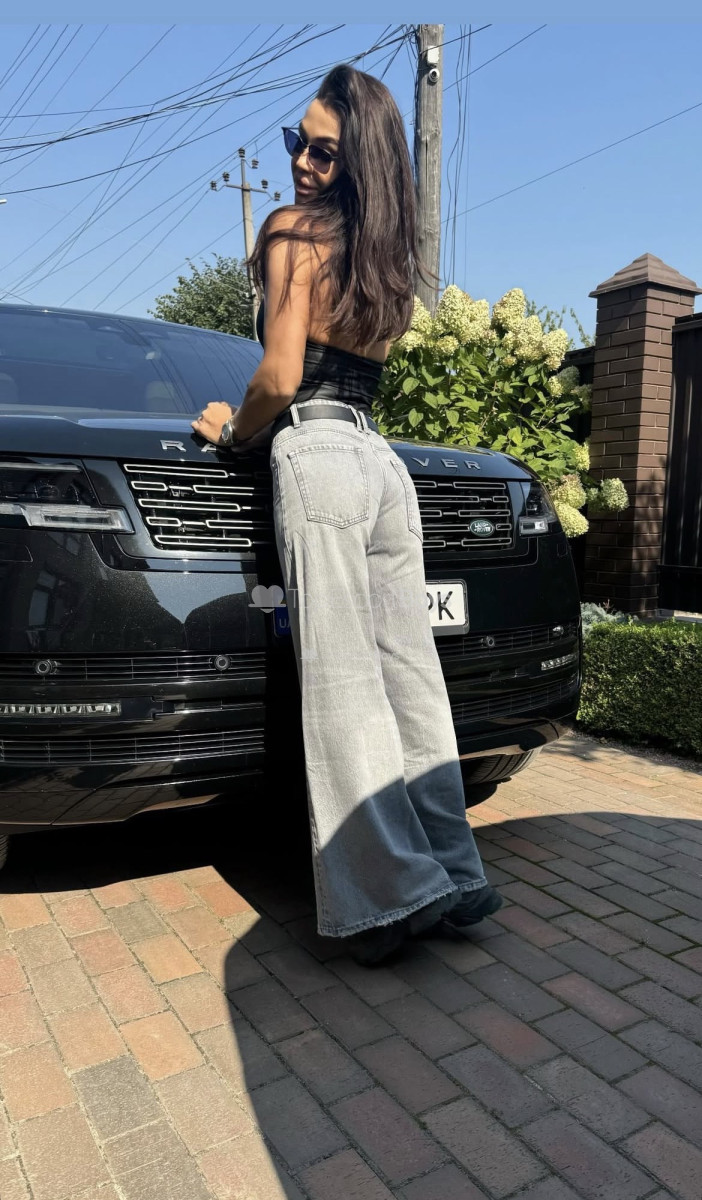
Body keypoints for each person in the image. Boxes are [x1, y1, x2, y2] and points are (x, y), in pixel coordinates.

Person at [192, 63, 501, 965]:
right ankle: (455, 874)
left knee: (343, 685)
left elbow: (280, 376)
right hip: (381, 465)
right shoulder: (386, 260)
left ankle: (390, 899)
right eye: (297, 143)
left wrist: (233, 432)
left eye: (323, 153)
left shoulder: (291, 233)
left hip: (320, 455)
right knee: (411, 677)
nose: (301, 164)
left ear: (357, 161)